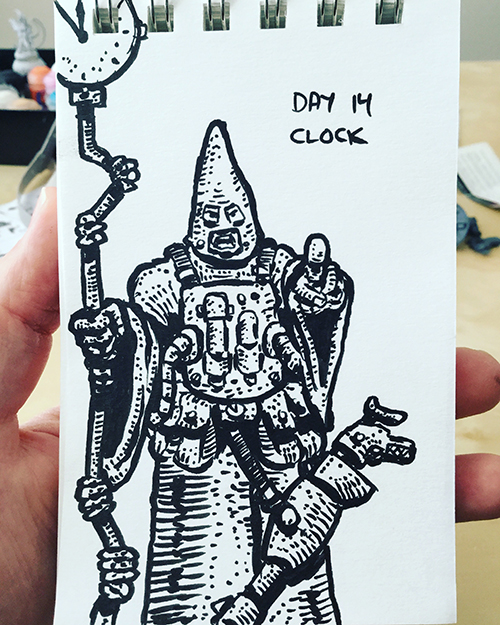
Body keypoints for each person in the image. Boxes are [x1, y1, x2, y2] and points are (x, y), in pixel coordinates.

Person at [1, 185, 500, 625]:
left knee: (296, 559)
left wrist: (318, 294)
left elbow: (317, 329)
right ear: (195, 222)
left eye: (234, 216)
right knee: (188, 577)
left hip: (278, 446)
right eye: (211, 217)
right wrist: (110, 336)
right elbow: (139, 354)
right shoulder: (160, 281)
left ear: (250, 219)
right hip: (191, 457)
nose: (224, 227)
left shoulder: (282, 269)